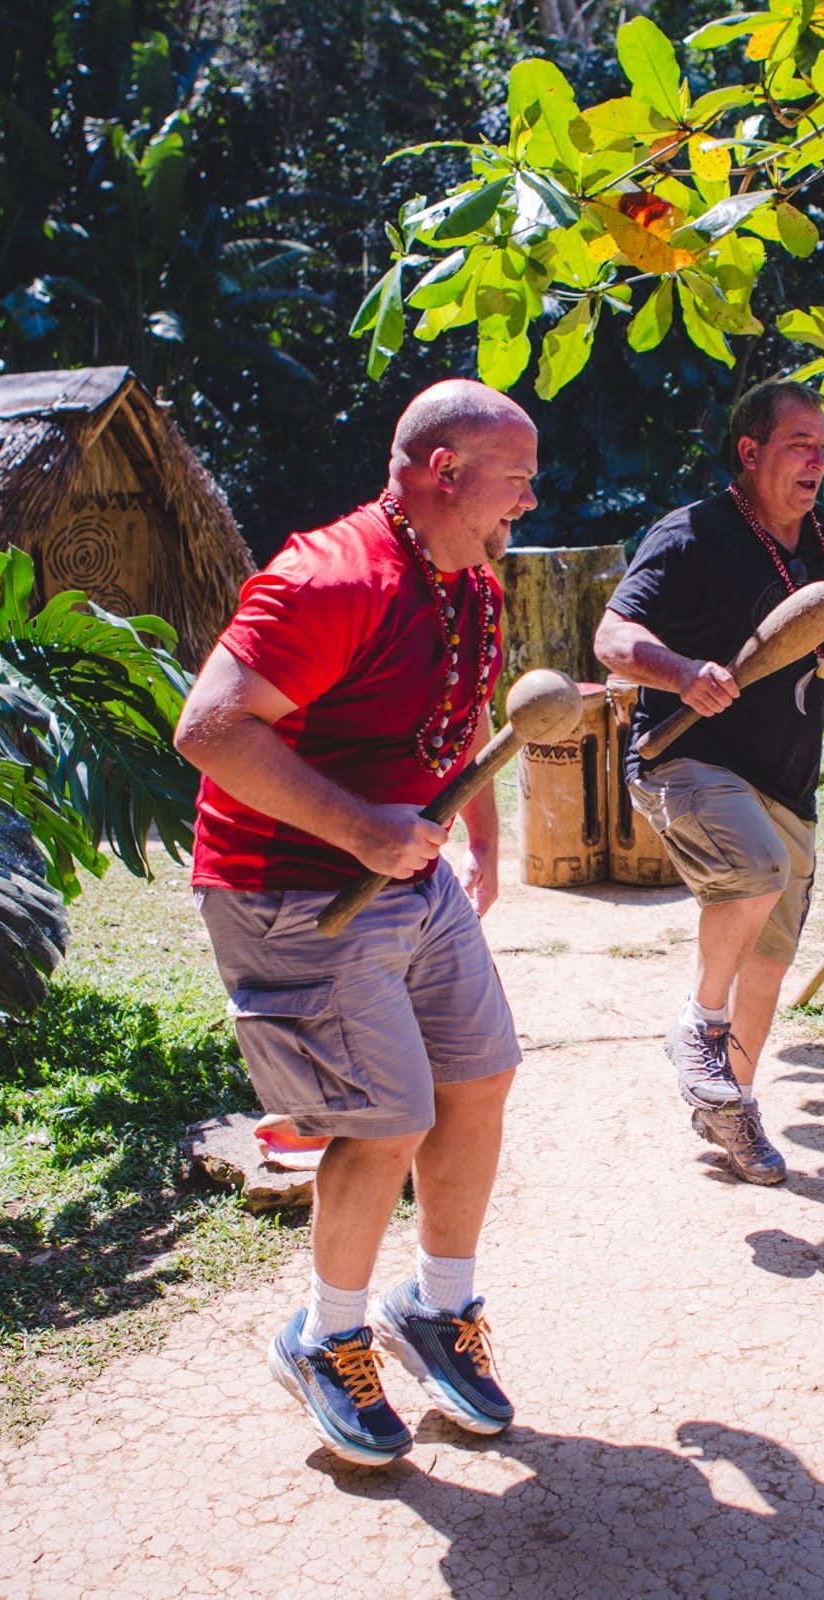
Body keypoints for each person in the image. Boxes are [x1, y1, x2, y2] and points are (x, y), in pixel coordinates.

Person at [173, 378, 539, 1466]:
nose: (528, 500)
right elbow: (211, 729)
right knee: (385, 1120)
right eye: (514, 479)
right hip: (295, 891)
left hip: (405, 876)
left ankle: (437, 1310)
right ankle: (325, 1336)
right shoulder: (331, 577)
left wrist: (476, 835)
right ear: (444, 473)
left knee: (478, 1078)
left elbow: (461, 708)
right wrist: (361, 831)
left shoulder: (470, 575)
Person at [595, 381, 824, 1184]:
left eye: (823, 446)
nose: (818, 459)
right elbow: (611, 636)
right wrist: (678, 671)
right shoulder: (691, 536)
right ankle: (696, 1025)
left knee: (770, 963)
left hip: (787, 778)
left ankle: (729, 1104)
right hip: (684, 756)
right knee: (754, 871)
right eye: (799, 444)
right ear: (750, 452)